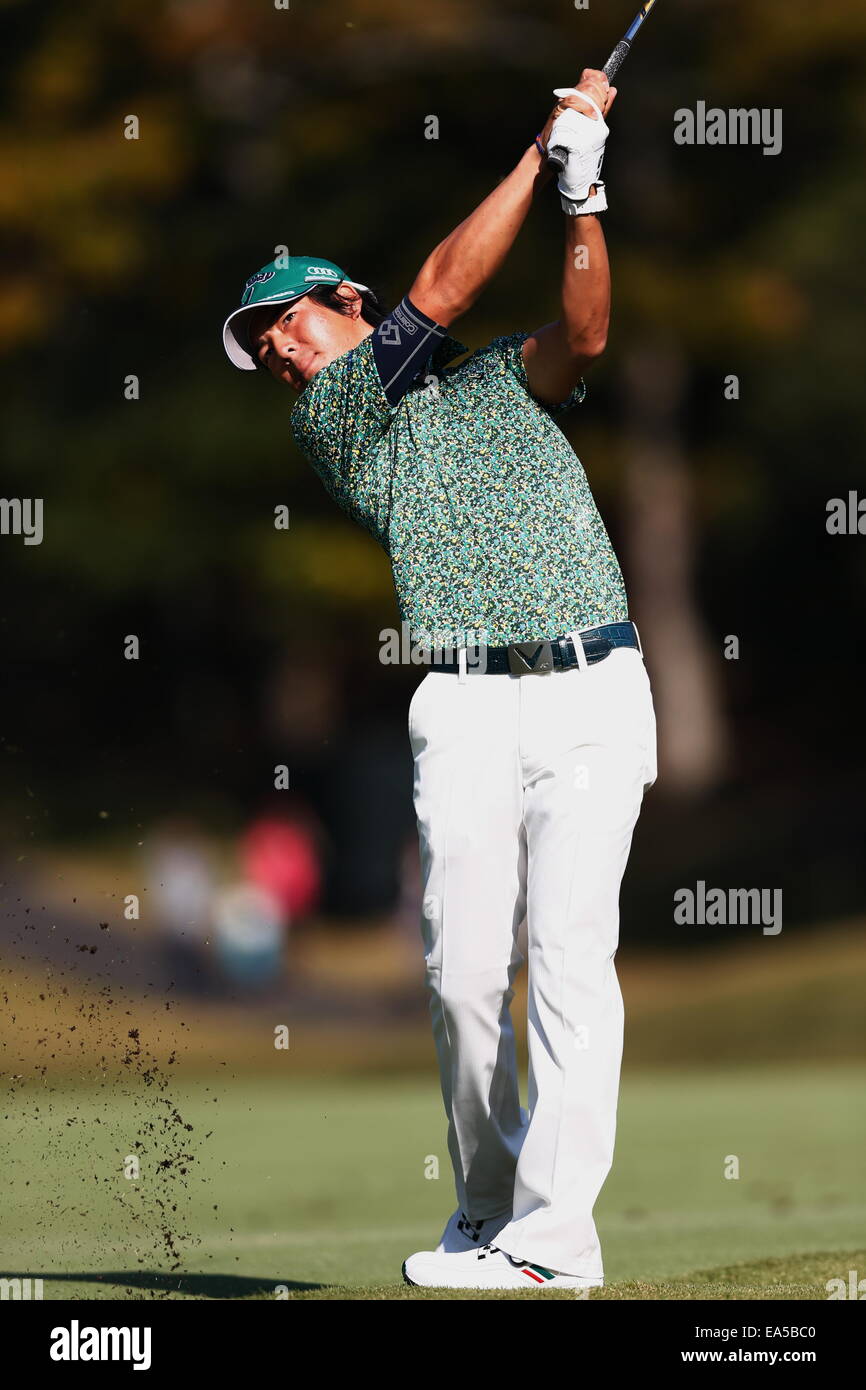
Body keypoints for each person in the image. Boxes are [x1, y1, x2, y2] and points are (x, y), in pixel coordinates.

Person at [222, 69, 657, 1292]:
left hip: (589, 686)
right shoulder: (341, 421)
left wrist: (583, 195)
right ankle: (480, 1213)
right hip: (460, 700)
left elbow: (583, 336)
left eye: (289, 321)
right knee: (464, 972)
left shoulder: (498, 380)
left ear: (339, 301)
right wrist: (540, 146)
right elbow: (443, 286)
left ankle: (549, 1249)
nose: (282, 352)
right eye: (265, 347)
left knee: (568, 957)